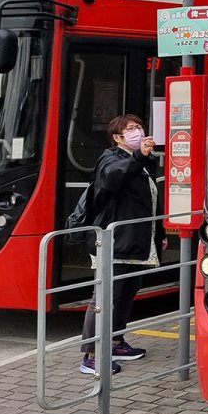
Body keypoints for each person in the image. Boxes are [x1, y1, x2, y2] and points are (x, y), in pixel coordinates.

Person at [79, 114, 165, 376]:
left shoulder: (143, 161)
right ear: (118, 137)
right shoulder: (110, 158)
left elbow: (151, 201)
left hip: (137, 241)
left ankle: (115, 342)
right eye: (131, 129)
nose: (138, 131)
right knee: (106, 298)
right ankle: (91, 355)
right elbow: (113, 179)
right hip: (114, 241)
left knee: (126, 294)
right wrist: (138, 156)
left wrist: (159, 233)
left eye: (139, 127)